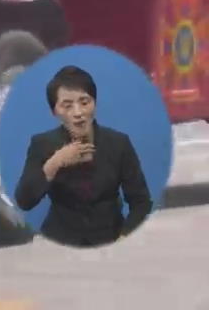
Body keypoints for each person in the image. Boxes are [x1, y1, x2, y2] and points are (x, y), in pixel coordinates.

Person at [14, 65, 153, 247]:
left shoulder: (118, 143)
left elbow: (141, 202)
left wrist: (124, 237)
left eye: (84, 102)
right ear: (54, 111)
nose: (78, 113)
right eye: (67, 105)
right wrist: (54, 163)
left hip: (110, 239)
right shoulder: (43, 144)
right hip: (61, 242)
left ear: (94, 103)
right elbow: (24, 201)